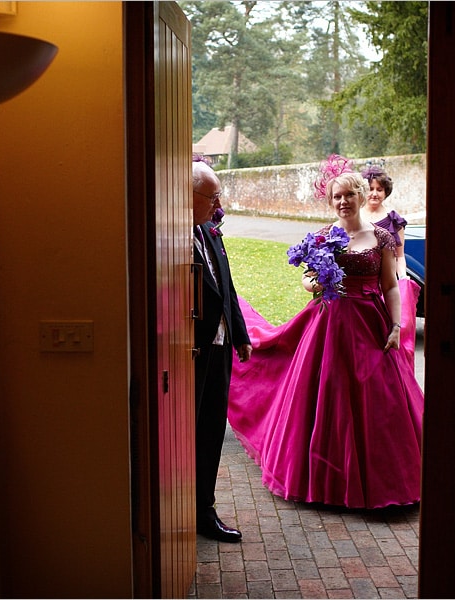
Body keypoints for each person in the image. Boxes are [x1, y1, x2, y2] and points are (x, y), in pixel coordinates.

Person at [227, 158, 424, 510]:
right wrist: (312, 282)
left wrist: (396, 326)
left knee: (377, 403)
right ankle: (324, 480)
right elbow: (306, 278)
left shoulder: (380, 237)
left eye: (349, 195)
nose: (343, 201)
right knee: (324, 397)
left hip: (370, 326)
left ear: (362, 196)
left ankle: (384, 480)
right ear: (331, 201)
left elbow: (391, 287)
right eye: (337, 197)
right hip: (328, 325)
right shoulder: (323, 237)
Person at [192, 158, 253, 542]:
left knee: (213, 429)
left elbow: (226, 285)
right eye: (212, 197)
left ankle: (204, 509)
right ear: (189, 195)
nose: (219, 205)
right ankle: (180, 507)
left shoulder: (211, 230)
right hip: (188, 352)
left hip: (221, 346)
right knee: (186, 431)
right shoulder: (167, 236)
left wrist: (240, 332)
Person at [360, 162, 422, 369]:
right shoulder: (356, 217)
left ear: (386, 192)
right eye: (370, 189)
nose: (374, 194)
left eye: (379, 189)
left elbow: (399, 256)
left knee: (388, 332)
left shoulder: (395, 221)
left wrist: (403, 279)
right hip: (364, 283)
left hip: (386, 282)